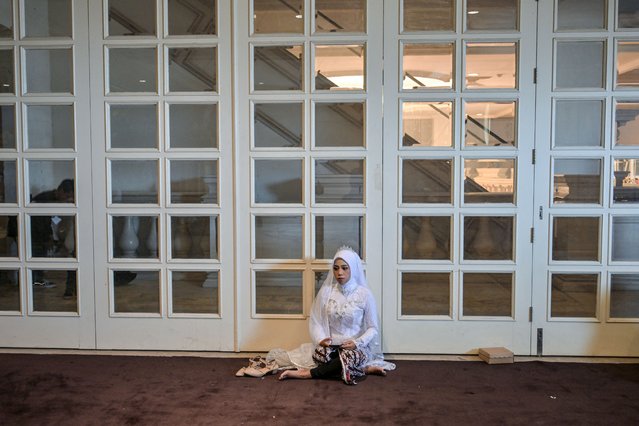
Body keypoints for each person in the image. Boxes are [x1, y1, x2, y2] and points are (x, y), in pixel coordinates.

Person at [278, 247, 394, 385]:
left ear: (353, 269)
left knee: (349, 357)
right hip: (331, 346)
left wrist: (357, 343)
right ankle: (362, 369)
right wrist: (321, 339)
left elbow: (373, 328)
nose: (339, 273)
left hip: (355, 347)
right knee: (320, 355)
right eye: (336, 268)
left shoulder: (364, 294)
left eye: (345, 268)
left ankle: (307, 374)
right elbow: (316, 321)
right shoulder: (327, 292)